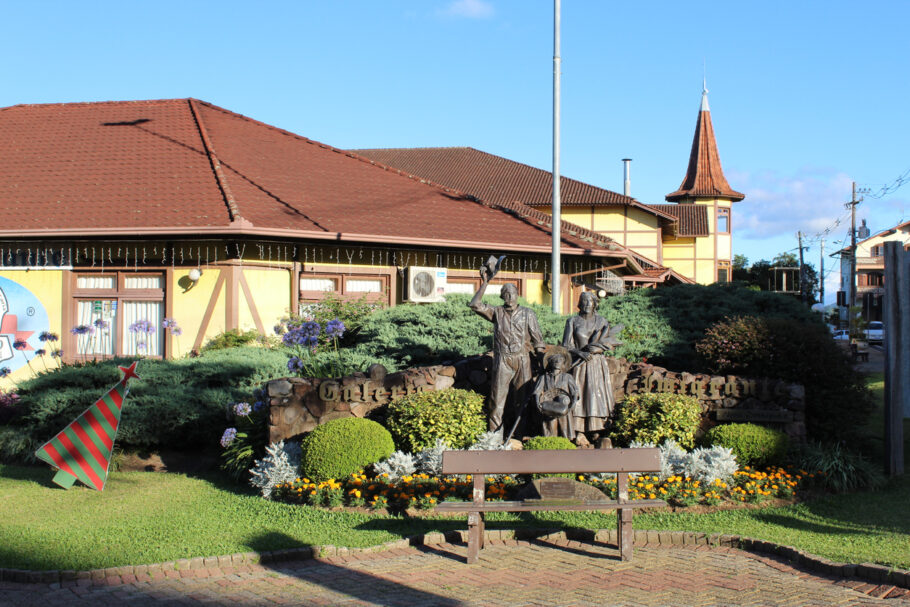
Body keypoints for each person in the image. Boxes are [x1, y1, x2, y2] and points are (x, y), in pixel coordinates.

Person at [469, 276, 546, 435]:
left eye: (512, 294)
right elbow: (475, 304)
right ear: (502, 296)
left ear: (517, 295)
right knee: (497, 400)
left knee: (522, 400)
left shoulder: (527, 314)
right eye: (506, 294)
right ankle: (494, 436)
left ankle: (518, 434)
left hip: (522, 360)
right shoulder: (496, 312)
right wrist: (485, 282)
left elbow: (538, 339)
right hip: (502, 360)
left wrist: (541, 360)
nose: (510, 297)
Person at [562, 291, 615, 441]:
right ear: (579, 304)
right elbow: (566, 345)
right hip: (579, 364)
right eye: (583, 301)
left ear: (594, 304)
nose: (586, 304)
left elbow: (608, 343)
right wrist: (579, 353)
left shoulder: (601, 321)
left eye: (589, 302)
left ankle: (597, 428)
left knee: (595, 393)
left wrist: (598, 349)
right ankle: (579, 429)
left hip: (596, 363)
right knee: (580, 393)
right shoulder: (572, 321)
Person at [532, 347, 578, 440]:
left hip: (564, 406)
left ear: (563, 364)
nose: (557, 362)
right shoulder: (543, 377)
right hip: (549, 406)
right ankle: (550, 440)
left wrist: (573, 404)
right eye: (555, 360)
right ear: (550, 363)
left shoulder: (567, 377)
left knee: (563, 402)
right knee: (550, 424)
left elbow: (575, 392)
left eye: (560, 360)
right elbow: (537, 391)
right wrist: (537, 403)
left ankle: (566, 440)